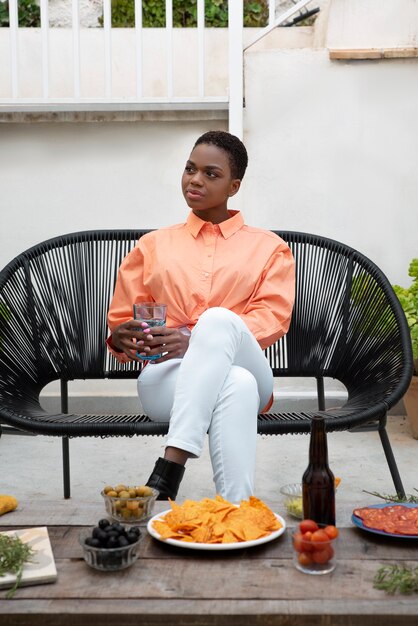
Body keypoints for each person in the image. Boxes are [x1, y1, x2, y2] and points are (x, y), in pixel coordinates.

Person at [107, 130, 295, 503]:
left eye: (211, 173)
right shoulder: (153, 246)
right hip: (167, 381)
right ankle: (237, 511)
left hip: (248, 364)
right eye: (190, 168)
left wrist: (196, 339)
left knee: (218, 321)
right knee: (237, 383)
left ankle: (173, 460)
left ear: (234, 186)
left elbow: (272, 317)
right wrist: (120, 337)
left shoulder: (270, 248)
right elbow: (122, 325)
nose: (195, 179)